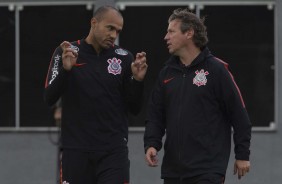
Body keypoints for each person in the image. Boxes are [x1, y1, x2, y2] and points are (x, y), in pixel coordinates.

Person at [144, 8, 251, 184]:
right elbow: (155, 115)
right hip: (173, 172)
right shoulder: (166, 74)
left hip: (207, 170)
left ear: (189, 33)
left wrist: (242, 155)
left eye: (171, 31)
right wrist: (152, 144)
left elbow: (239, 116)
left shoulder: (217, 70)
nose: (165, 37)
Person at [44, 6, 147, 184]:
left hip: (113, 152)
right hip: (75, 151)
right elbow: (49, 98)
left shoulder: (125, 58)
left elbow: (135, 109)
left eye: (118, 30)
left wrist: (137, 81)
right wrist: (66, 71)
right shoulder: (66, 52)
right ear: (94, 23)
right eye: (110, 28)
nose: (114, 35)